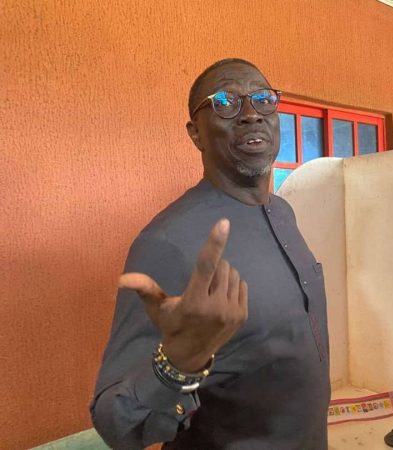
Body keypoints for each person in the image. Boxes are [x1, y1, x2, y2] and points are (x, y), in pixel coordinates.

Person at [90, 59, 331, 449]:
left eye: (262, 99)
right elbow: (115, 423)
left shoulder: (283, 212)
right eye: (225, 103)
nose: (251, 113)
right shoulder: (168, 243)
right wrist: (178, 363)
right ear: (195, 133)